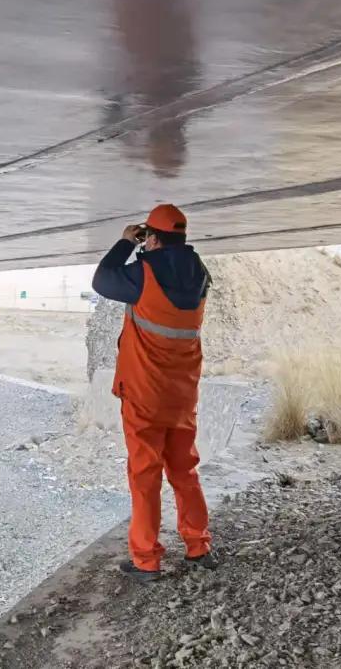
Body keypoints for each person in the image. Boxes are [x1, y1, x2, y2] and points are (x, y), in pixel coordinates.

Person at [92, 204, 215, 580]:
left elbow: (102, 280)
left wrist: (126, 242)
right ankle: (198, 546)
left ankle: (146, 560)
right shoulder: (201, 274)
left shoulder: (143, 273)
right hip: (182, 393)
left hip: (145, 394)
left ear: (154, 237)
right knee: (184, 471)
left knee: (145, 476)